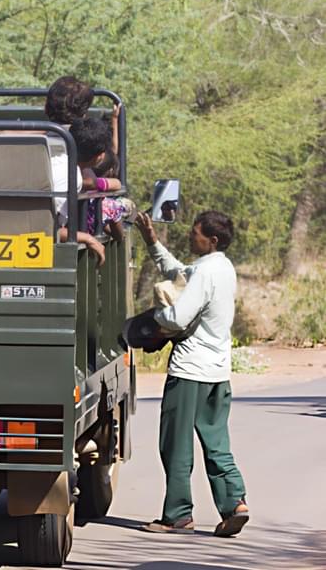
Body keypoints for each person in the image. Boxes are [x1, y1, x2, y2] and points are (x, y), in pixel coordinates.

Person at [136, 210, 249, 537]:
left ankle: (178, 515)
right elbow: (181, 273)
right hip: (217, 371)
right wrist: (153, 242)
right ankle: (235, 502)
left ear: (211, 240)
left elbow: (178, 317)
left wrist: (153, 321)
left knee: (176, 445)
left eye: (196, 233)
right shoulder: (223, 268)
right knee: (216, 442)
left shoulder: (203, 273)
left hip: (189, 371)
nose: (190, 236)